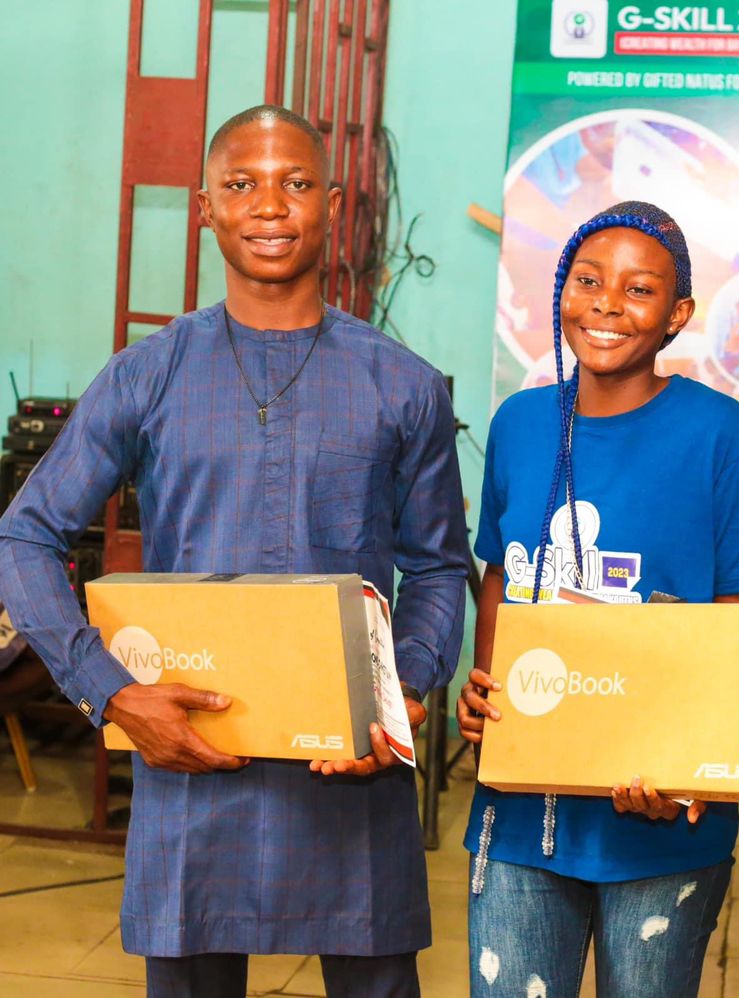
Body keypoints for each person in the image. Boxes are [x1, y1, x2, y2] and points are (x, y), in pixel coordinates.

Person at [0, 105, 469, 997]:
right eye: (242, 185)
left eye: (295, 184)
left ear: (332, 204)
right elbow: (24, 534)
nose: (269, 206)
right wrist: (114, 694)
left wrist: (397, 697)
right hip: (193, 763)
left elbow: (440, 566)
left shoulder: (399, 382)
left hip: (352, 774)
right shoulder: (150, 372)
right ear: (205, 207)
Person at [455, 201, 739, 996]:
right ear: (561, 291)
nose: (606, 303)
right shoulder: (522, 423)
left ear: (677, 315)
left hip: (658, 824)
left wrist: (691, 763)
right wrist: (486, 689)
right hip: (521, 819)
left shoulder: (720, 435)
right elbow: (502, 571)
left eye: (639, 290)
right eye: (589, 280)